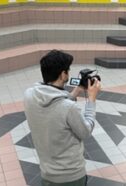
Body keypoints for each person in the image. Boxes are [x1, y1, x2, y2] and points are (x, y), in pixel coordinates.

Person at [24, 50, 101, 186]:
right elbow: (86, 131)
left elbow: (55, 107)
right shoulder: (69, 108)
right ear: (63, 74)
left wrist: (76, 91)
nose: (69, 73)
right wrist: (91, 100)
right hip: (71, 177)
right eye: (68, 70)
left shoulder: (29, 95)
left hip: (47, 173)